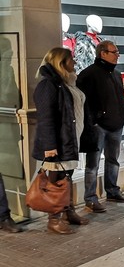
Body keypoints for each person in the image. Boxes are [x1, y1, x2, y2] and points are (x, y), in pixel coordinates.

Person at [33, 47, 90, 233]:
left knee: (67, 178)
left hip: (71, 139)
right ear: (61, 62)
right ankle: (54, 219)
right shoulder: (48, 85)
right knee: (56, 181)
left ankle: (68, 212)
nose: (74, 62)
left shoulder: (68, 83)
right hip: (58, 142)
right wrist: (50, 146)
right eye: (71, 59)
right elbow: (46, 118)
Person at [78, 40, 124, 213]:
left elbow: (120, 97)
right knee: (92, 165)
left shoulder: (116, 74)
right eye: (114, 52)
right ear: (103, 53)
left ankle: (112, 190)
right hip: (98, 127)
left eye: (117, 51)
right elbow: (82, 102)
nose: (118, 55)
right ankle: (90, 198)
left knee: (113, 160)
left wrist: (123, 115)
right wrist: (93, 121)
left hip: (116, 125)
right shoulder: (88, 74)